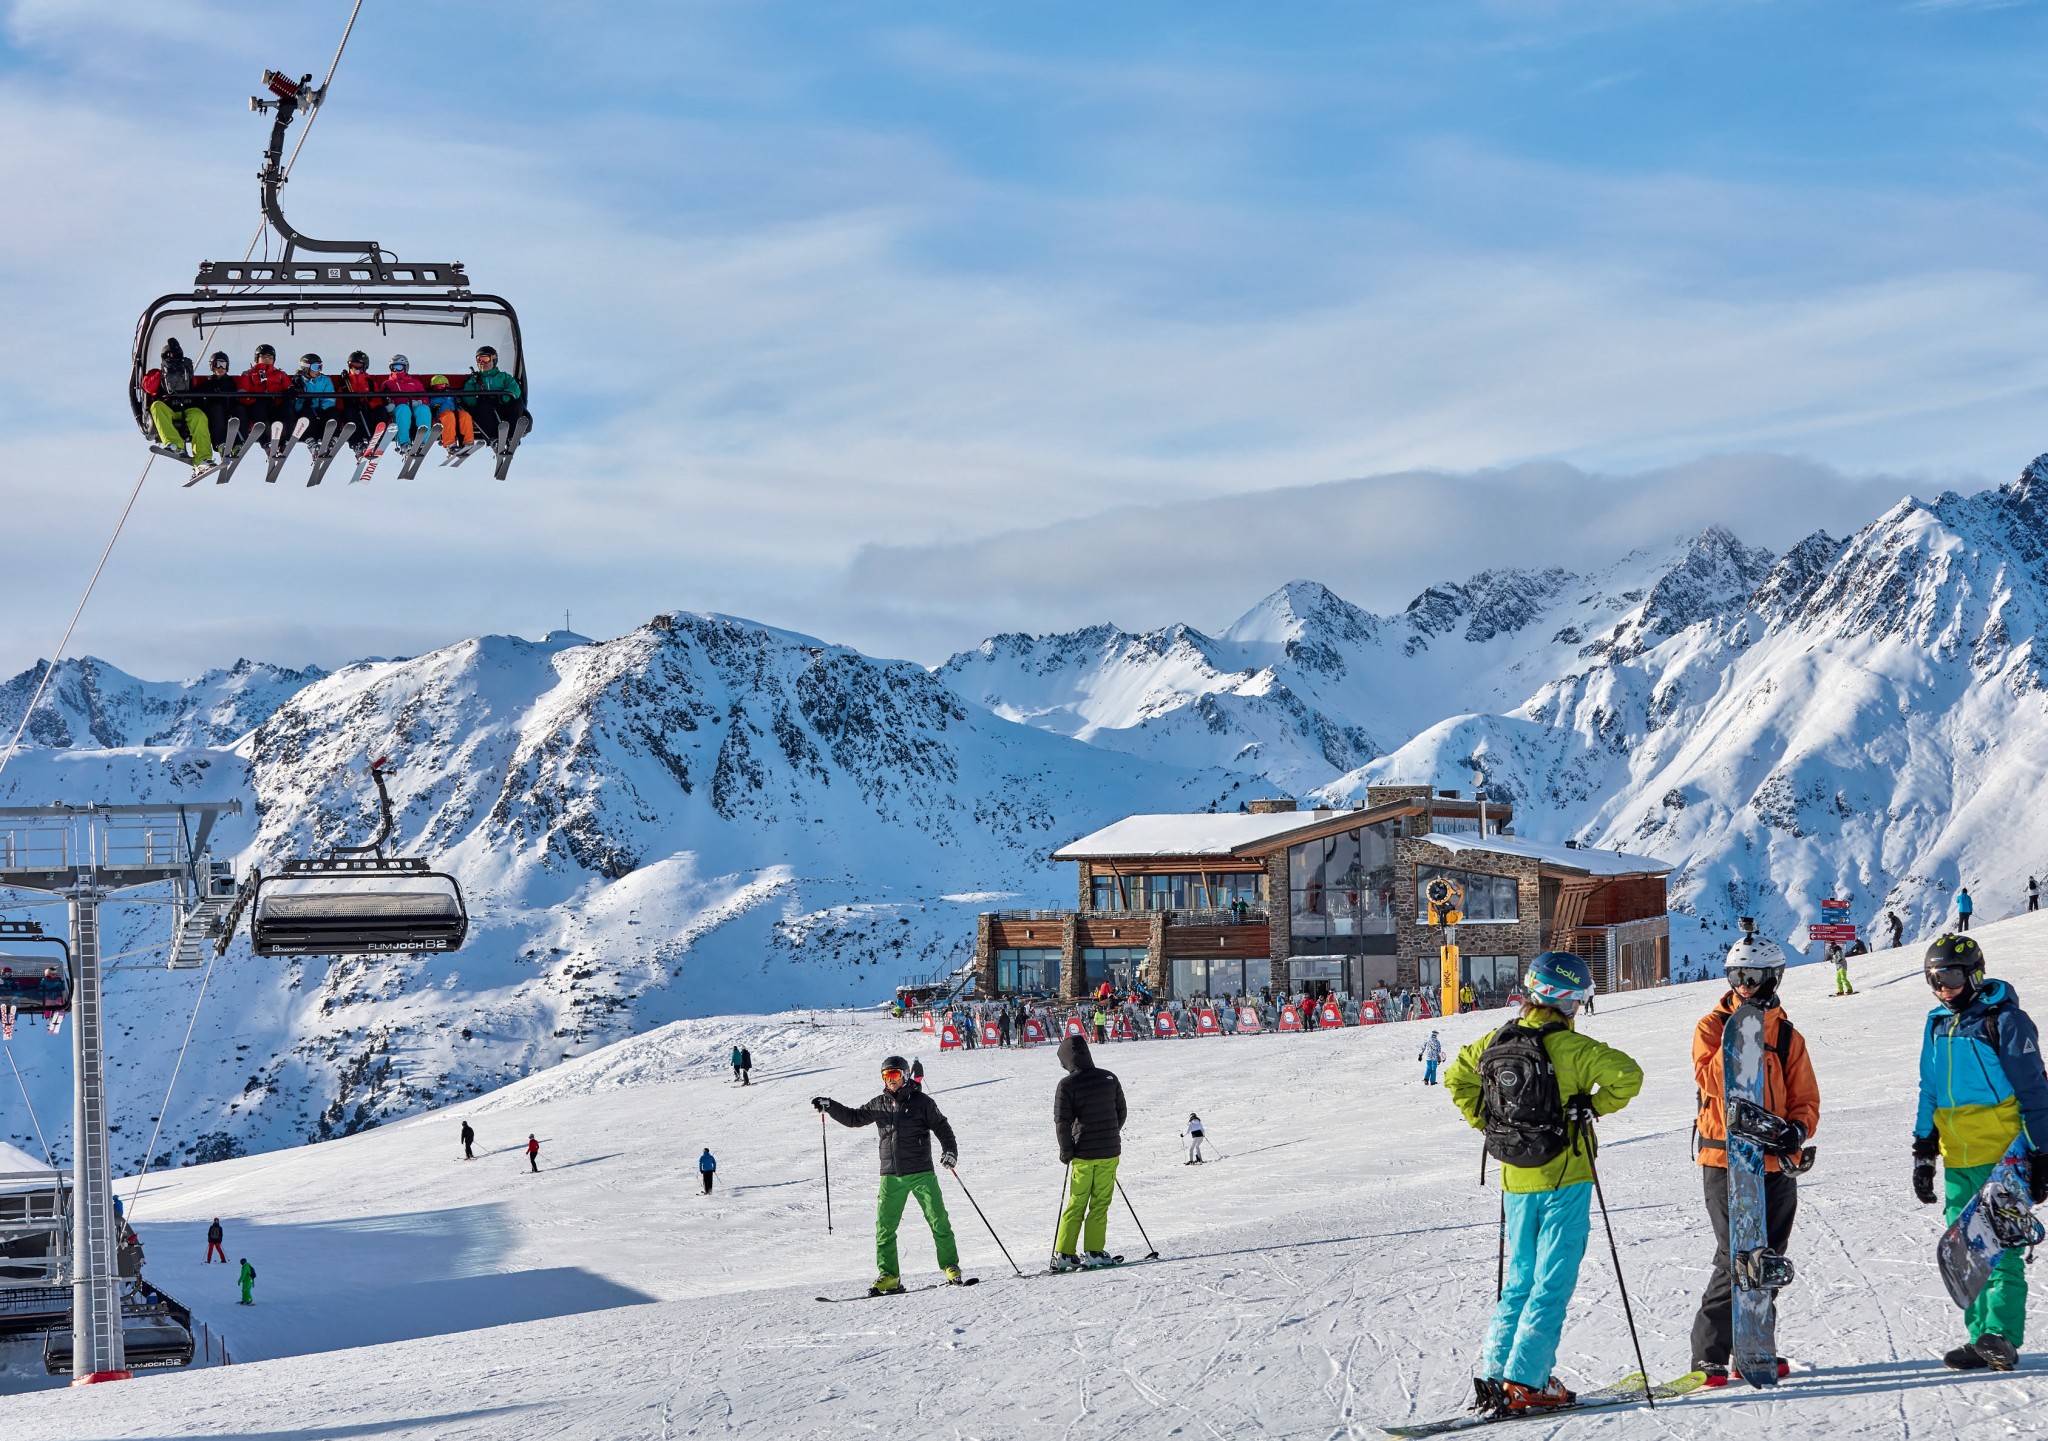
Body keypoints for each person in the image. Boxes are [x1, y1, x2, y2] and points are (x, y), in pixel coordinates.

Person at [1446, 951, 1644, 1416]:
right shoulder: (1574, 1048)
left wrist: (1489, 1123)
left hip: (1515, 1178)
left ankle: (1496, 1374)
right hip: (1565, 1177)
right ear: (1568, 1000)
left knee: (1519, 1280)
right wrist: (1592, 1108)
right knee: (1551, 1282)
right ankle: (1527, 1380)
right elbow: (1628, 1076)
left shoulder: (1496, 1040)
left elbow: (1457, 1077)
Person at [1688, 928, 1820, 1387]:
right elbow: (1712, 1081)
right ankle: (1709, 1355)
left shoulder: (1787, 1036)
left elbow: (1805, 1097)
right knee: (1734, 1256)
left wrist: (1796, 1130)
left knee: (1767, 1257)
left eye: (1754, 977)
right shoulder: (1712, 1026)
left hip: (1774, 1162)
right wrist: (1740, 1034)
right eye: (1736, 976)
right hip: (1725, 1159)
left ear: (1773, 978)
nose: (1744, 986)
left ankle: (1754, 1344)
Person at [1913, 934, 2048, 1371]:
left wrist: (2041, 1153)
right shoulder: (1937, 1023)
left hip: (2004, 1155)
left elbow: (2034, 1090)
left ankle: (2001, 1335)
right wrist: (1924, 1150)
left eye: (1951, 976)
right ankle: (1978, 1340)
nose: (1943, 988)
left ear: (1974, 974)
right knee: (1966, 1251)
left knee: (2002, 1248)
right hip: (1957, 1156)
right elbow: (1930, 1090)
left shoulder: (2004, 1020)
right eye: (1934, 979)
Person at [813, 1055, 964, 1294]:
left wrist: (950, 1151)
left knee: (938, 1220)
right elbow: (854, 1118)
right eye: (886, 1076)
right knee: (885, 1227)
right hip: (890, 1175)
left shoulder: (923, 1102)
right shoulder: (879, 1103)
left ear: (904, 1075)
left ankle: (950, 1266)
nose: (890, 1080)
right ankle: (890, 1275)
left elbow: (942, 1127)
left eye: (894, 1075)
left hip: (921, 1172)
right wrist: (830, 1106)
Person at [1053, 1033, 1128, 1270]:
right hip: (1109, 1151)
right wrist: (1109, 1132)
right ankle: (1094, 1251)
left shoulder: (1067, 1085)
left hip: (1083, 1154)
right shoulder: (1109, 1078)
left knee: (1077, 1202)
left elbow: (1062, 1122)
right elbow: (1121, 1112)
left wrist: (1067, 1151)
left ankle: (1065, 1253)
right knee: (1100, 1203)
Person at [144, 338, 214, 465]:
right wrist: (164, 372)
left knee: (199, 416)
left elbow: (193, 385)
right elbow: (148, 387)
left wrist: (182, 370)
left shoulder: (186, 372)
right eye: (169, 355)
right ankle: (174, 444)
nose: (172, 358)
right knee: (156, 406)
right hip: (168, 409)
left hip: (186, 408)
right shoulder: (157, 373)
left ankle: (203, 458)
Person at [464, 344, 526, 442]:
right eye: (479, 360)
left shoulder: (503, 376)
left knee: (516, 403)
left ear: (494, 360)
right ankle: (493, 438)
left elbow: (514, 388)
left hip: (502, 405)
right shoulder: (474, 379)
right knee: (484, 407)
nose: (481, 363)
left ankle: (512, 434)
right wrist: (472, 386)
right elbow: (469, 399)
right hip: (485, 408)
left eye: (485, 359)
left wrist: (504, 397)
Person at [381, 354, 430, 448]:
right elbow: (383, 398)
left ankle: (422, 441)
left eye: (399, 367)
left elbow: (425, 398)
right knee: (403, 409)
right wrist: (388, 406)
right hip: (399, 409)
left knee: (424, 409)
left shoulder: (415, 383)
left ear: (405, 367)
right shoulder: (387, 384)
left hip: (415, 407)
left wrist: (419, 402)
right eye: (393, 367)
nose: (395, 370)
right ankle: (404, 442)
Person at [339, 349, 383, 450]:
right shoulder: (345, 383)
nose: (354, 368)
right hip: (352, 418)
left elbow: (377, 401)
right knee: (349, 411)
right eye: (352, 365)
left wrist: (365, 403)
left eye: (358, 365)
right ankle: (357, 443)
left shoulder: (370, 383)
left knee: (380, 410)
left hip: (367, 416)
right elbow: (339, 403)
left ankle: (377, 438)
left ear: (364, 366)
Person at [428, 373, 476, 450]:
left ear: (446, 385)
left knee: (465, 415)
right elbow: (430, 403)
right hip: (442, 413)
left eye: (442, 386)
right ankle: (450, 443)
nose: (440, 388)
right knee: (449, 416)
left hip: (455, 411)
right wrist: (434, 406)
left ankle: (468, 441)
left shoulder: (451, 394)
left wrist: (459, 401)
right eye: (437, 387)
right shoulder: (432, 396)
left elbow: (457, 400)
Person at [293, 353, 337, 423]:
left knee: (333, 411)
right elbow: (295, 402)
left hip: (322, 411)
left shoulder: (325, 380)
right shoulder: (298, 381)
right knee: (307, 412)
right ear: (306, 368)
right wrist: (303, 403)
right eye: (315, 367)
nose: (318, 370)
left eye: (320, 367)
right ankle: (305, 428)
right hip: (305, 412)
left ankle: (330, 428)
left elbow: (330, 399)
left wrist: (322, 409)